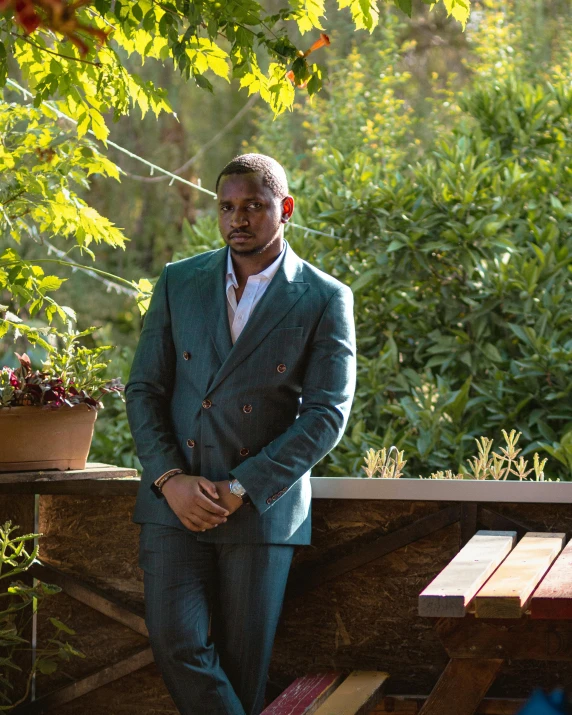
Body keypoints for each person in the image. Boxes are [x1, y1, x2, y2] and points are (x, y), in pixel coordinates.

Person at [125, 153, 356, 715]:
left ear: (285, 209)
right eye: (227, 207)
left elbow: (327, 414)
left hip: (259, 512)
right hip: (174, 508)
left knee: (242, 668)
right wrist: (169, 478)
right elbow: (144, 390)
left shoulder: (325, 297)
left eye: (254, 206)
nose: (238, 219)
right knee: (177, 644)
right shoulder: (180, 282)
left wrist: (241, 487)